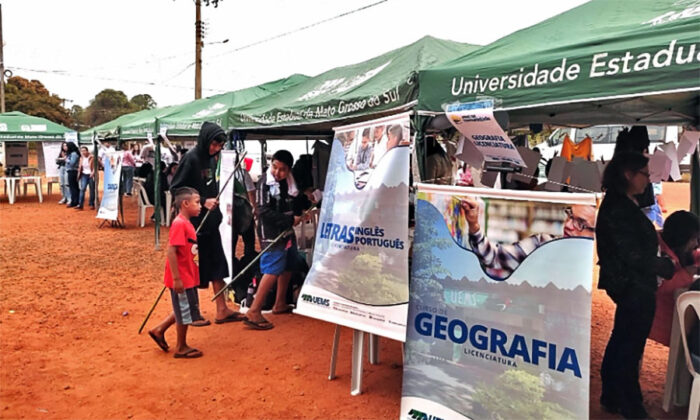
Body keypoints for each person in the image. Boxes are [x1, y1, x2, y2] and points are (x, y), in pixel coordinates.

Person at [596, 151, 675, 419]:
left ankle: (613, 396)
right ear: (628, 175)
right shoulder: (618, 207)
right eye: (644, 174)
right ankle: (630, 404)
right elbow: (631, 254)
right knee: (630, 344)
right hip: (631, 284)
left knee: (623, 339)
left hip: (632, 282)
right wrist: (662, 266)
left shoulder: (622, 203)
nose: (647, 180)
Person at [169, 121, 245, 326]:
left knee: (217, 265)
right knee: (192, 269)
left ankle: (222, 309)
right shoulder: (191, 159)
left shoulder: (212, 159)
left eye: (220, 146)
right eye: (214, 144)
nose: (216, 149)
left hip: (210, 223)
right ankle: (190, 314)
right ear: (205, 140)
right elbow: (175, 189)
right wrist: (202, 201)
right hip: (194, 226)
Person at [244, 150, 311, 330]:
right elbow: (262, 211)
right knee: (273, 268)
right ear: (271, 163)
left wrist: (306, 203)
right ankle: (254, 309)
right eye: (275, 167)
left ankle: (280, 303)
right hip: (271, 232)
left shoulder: (291, 182)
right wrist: (290, 220)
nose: (277, 172)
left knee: (289, 263)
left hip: (287, 230)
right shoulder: (265, 183)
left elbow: (295, 201)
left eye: (282, 169)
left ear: (288, 170)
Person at [460, 198, 596, 279]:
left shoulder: (597, 271)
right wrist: (474, 224)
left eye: (580, 224)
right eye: (569, 215)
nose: (568, 225)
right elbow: (495, 258)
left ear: (597, 234)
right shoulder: (544, 243)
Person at [148, 187, 204, 359]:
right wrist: (177, 278)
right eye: (197, 202)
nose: (200, 206)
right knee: (184, 311)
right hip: (182, 277)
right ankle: (181, 346)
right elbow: (171, 251)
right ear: (185, 204)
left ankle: (159, 330)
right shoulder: (179, 224)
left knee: (184, 307)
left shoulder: (186, 223)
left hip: (188, 275)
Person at [648, 211, 700, 347]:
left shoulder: (678, 248)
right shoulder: (656, 252)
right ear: (681, 238)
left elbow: (692, 255)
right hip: (662, 323)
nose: (696, 244)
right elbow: (659, 286)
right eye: (693, 239)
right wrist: (686, 274)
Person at [76, 146, 95, 210]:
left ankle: (92, 203)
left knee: (92, 189)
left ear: (87, 151)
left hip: (91, 175)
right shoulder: (81, 158)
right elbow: (80, 166)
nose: (83, 152)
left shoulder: (92, 157)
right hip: (84, 174)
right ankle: (80, 204)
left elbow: (96, 165)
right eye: (82, 151)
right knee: (82, 188)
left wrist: (93, 172)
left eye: (84, 150)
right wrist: (79, 173)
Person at [65, 142, 80, 208]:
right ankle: (75, 200)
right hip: (71, 171)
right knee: (73, 187)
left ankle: (74, 201)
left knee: (73, 187)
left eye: (67, 146)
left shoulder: (73, 154)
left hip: (73, 171)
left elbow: (72, 163)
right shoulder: (72, 153)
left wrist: (66, 160)